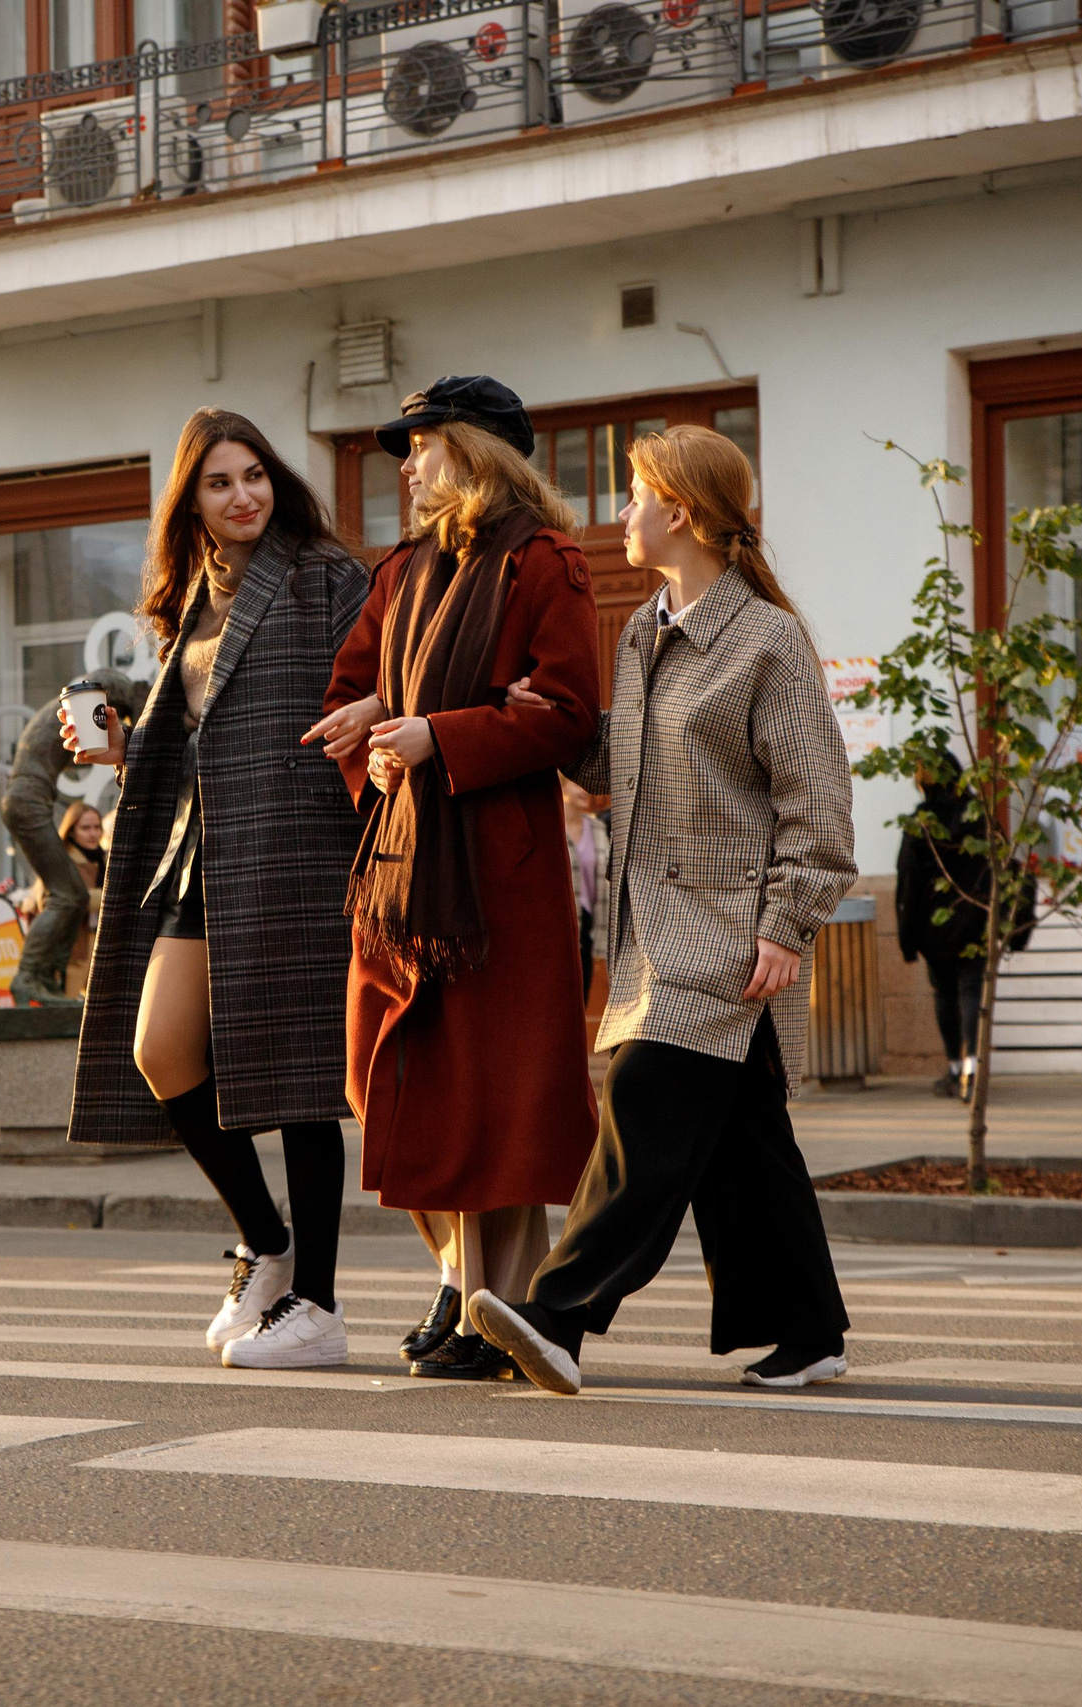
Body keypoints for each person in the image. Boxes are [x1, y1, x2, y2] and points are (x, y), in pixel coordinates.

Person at [470, 423, 859, 1396]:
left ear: (678, 511)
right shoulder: (646, 629)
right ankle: (806, 1326)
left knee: (643, 1106)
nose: (623, 514)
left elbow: (819, 800)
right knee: (743, 1140)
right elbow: (629, 767)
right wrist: (551, 728)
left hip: (725, 935)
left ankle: (557, 1313)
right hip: (655, 932)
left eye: (635, 494)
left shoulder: (763, 642)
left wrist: (786, 923)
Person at [62, 408, 372, 1370]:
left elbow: (377, 689)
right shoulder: (193, 599)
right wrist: (124, 746)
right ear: (189, 501)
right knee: (160, 1049)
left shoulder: (327, 576)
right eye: (219, 482)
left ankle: (318, 1305)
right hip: (201, 846)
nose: (243, 496)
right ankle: (267, 1243)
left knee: (300, 1081)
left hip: (297, 841)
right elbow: (196, 738)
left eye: (254, 476)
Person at [308, 375, 602, 1381]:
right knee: (379, 1075)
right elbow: (355, 691)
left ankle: (496, 1309)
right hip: (400, 862)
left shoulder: (545, 561)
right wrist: (375, 737)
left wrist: (442, 731)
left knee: (494, 1102)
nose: (408, 462)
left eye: (422, 443)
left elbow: (568, 715)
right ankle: (461, 1280)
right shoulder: (404, 567)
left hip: (499, 874)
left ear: (477, 451)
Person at [2, 670, 142, 1004]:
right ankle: (28, 976)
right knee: (68, 895)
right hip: (27, 801)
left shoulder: (75, 699)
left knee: (72, 895)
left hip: (27, 799)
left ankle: (45, 977)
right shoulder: (98, 694)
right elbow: (135, 729)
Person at [897, 771, 1036, 1100]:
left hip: (935, 927)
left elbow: (908, 879)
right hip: (977, 921)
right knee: (973, 992)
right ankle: (972, 1071)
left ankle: (955, 1069)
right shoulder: (981, 815)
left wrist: (907, 936)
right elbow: (1004, 867)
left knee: (944, 994)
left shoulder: (922, 821)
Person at [51, 800, 107, 996]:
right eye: (85, 828)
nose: (93, 833)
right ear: (71, 830)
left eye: (96, 827)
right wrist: (104, 898)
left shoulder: (106, 858)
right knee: (66, 1009)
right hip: (73, 946)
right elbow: (66, 898)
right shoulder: (62, 860)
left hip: (103, 941)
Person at [563, 778, 608, 1006]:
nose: (584, 790)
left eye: (585, 784)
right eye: (575, 784)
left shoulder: (598, 829)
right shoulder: (552, 831)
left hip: (589, 928)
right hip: (561, 929)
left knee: (581, 1002)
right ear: (561, 787)